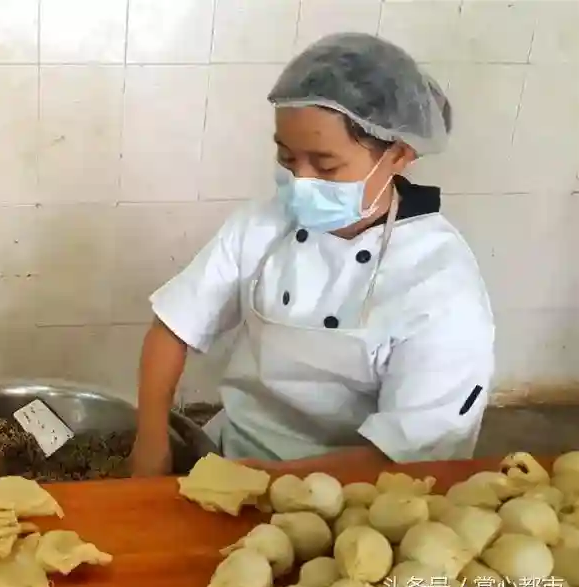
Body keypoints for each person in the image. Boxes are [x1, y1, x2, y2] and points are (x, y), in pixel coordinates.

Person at [131, 33, 494, 475]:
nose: (301, 181)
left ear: (399, 154)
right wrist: (151, 442)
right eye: (287, 159)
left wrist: (269, 484)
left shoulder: (438, 280)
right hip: (231, 456)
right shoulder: (262, 224)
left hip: (355, 491)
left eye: (325, 165)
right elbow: (173, 326)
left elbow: (413, 451)